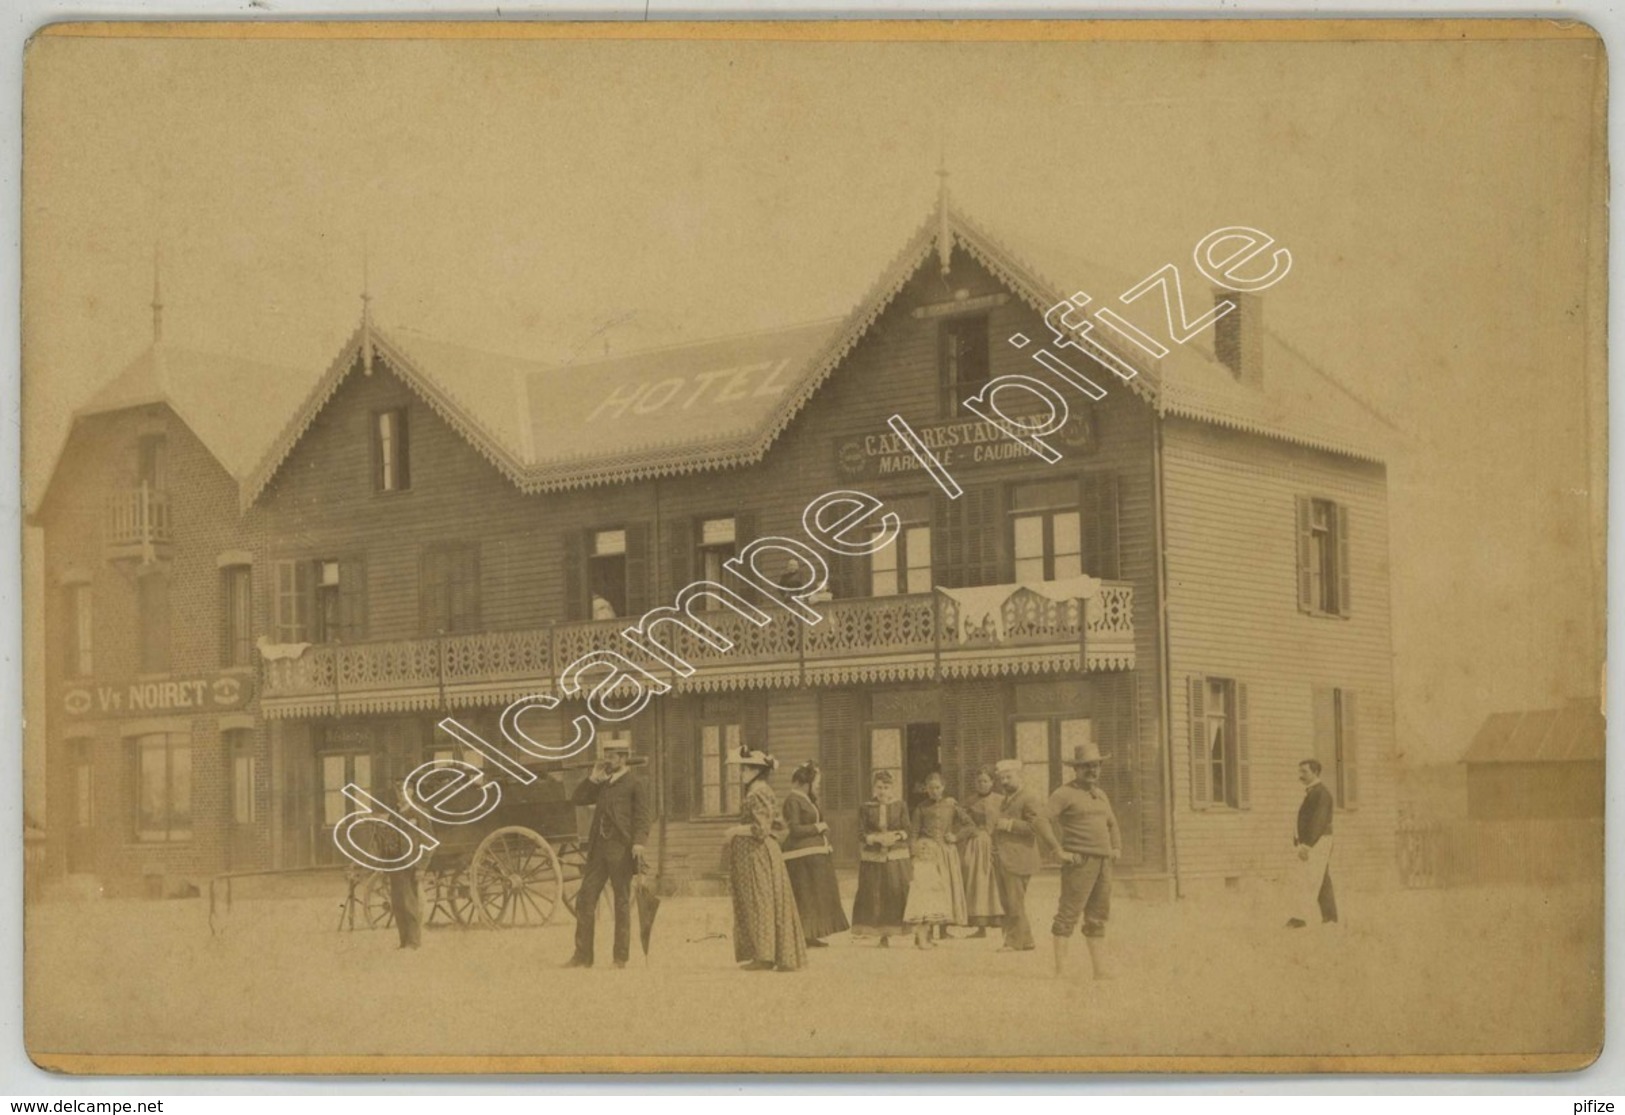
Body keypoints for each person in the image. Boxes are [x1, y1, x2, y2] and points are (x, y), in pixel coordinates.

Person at [563, 739, 650, 969]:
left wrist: (639, 843)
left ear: (622, 758)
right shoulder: (602, 784)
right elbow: (578, 799)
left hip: (621, 851)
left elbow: (642, 818)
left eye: (610, 757)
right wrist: (592, 777)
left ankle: (619, 958)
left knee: (621, 903)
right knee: (584, 899)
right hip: (598, 851)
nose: (606, 761)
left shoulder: (634, 784)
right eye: (605, 756)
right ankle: (582, 956)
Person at [724, 746, 807, 971]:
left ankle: (764, 955)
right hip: (757, 852)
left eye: (744, 769)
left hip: (756, 853)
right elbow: (776, 824)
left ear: (755, 771)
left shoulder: (758, 792)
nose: (741, 773)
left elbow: (760, 829)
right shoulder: (761, 790)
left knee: (759, 900)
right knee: (762, 900)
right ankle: (766, 953)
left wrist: (734, 831)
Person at [1047, 741, 1121, 979]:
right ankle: (1060, 973)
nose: (1093, 771)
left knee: (1098, 917)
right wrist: (1057, 850)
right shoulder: (1063, 793)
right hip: (1079, 862)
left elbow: (1112, 823)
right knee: (1068, 915)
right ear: (1075, 769)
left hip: (1103, 863)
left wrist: (1116, 846)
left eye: (1096, 766)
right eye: (1086, 766)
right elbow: (1040, 820)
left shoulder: (1100, 795)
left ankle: (1099, 971)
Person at [991, 758, 1061, 953]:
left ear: (1020, 776)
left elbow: (1036, 826)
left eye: (1008, 777)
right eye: (1001, 778)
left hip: (1019, 858)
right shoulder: (1007, 799)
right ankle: (1026, 940)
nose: (1004, 781)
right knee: (1010, 900)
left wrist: (1010, 825)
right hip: (1004, 857)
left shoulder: (1029, 797)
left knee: (1014, 901)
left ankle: (1014, 942)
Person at [781, 760, 849, 948]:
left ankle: (811, 934)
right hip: (800, 857)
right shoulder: (792, 800)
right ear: (805, 783)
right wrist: (818, 827)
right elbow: (794, 829)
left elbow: (821, 822)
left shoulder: (807, 800)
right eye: (816, 784)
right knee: (805, 895)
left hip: (814, 855)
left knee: (815, 894)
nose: (818, 788)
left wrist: (824, 832)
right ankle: (802, 935)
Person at [903, 771, 968, 947]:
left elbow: (970, 825)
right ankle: (926, 934)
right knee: (929, 892)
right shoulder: (921, 808)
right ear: (926, 789)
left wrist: (956, 836)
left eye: (938, 787)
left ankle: (944, 929)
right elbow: (914, 832)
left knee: (946, 889)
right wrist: (914, 854)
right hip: (928, 855)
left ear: (943, 787)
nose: (934, 791)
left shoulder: (952, 805)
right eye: (930, 788)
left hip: (947, 853)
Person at [850, 769, 911, 946]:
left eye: (886, 787)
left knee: (897, 890)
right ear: (874, 788)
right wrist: (874, 838)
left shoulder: (900, 805)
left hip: (896, 855)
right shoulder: (866, 807)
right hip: (873, 857)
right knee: (876, 893)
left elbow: (908, 829)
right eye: (879, 787)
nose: (882, 791)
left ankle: (908, 930)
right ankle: (882, 935)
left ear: (892, 788)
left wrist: (897, 836)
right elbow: (860, 832)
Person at [376, 780, 427, 950]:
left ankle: (414, 942)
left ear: (412, 792)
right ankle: (403, 940)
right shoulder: (394, 814)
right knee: (397, 903)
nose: (402, 794)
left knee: (409, 902)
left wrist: (421, 866)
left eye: (405, 790)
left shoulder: (420, 814)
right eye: (399, 791)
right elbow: (389, 837)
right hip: (395, 863)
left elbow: (429, 842)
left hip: (410, 863)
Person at [1288, 758, 1338, 929]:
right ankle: (1330, 918)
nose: (1300, 775)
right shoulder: (1311, 792)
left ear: (1315, 773)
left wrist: (1307, 845)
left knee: (1309, 877)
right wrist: (1297, 839)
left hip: (1318, 841)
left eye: (1305, 772)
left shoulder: (1322, 794)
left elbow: (1319, 821)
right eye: (1299, 771)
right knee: (1321, 877)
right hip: (1313, 840)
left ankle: (1299, 918)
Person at [960, 767, 1004, 938]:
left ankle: (1001, 923)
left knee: (996, 880)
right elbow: (960, 821)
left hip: (996, 842)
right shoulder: (969, 802)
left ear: (992, 782)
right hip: (976, 844)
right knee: (977, 880)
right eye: (979, 781)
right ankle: (980, 926)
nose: (982, 784)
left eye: (986, 781)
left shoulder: (1001, 800)